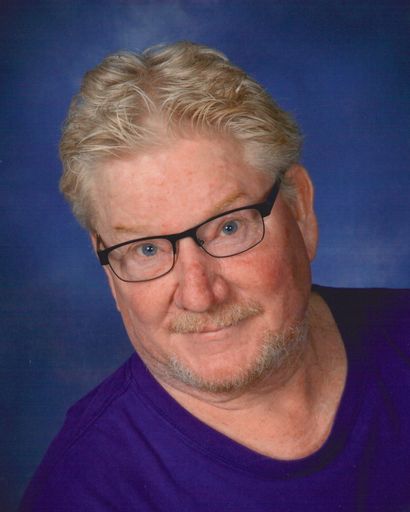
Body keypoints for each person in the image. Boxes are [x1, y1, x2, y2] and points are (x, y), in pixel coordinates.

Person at [21, 41, 409, 511]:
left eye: (228, 227)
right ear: (108, 269)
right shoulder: (84, 492)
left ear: (300, 210)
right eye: (146, 249)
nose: (200, 294)